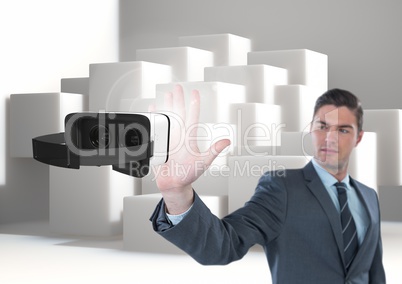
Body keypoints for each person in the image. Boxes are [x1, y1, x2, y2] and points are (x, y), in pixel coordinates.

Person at [150, 85, 386, 284]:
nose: (330, 138)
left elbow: (374, 271)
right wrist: (177, 193)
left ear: (359, 138)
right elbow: (223, 245)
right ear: (311, 130)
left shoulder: (368, 197)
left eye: (343, 130)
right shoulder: (282, 187)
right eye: (322, 126)